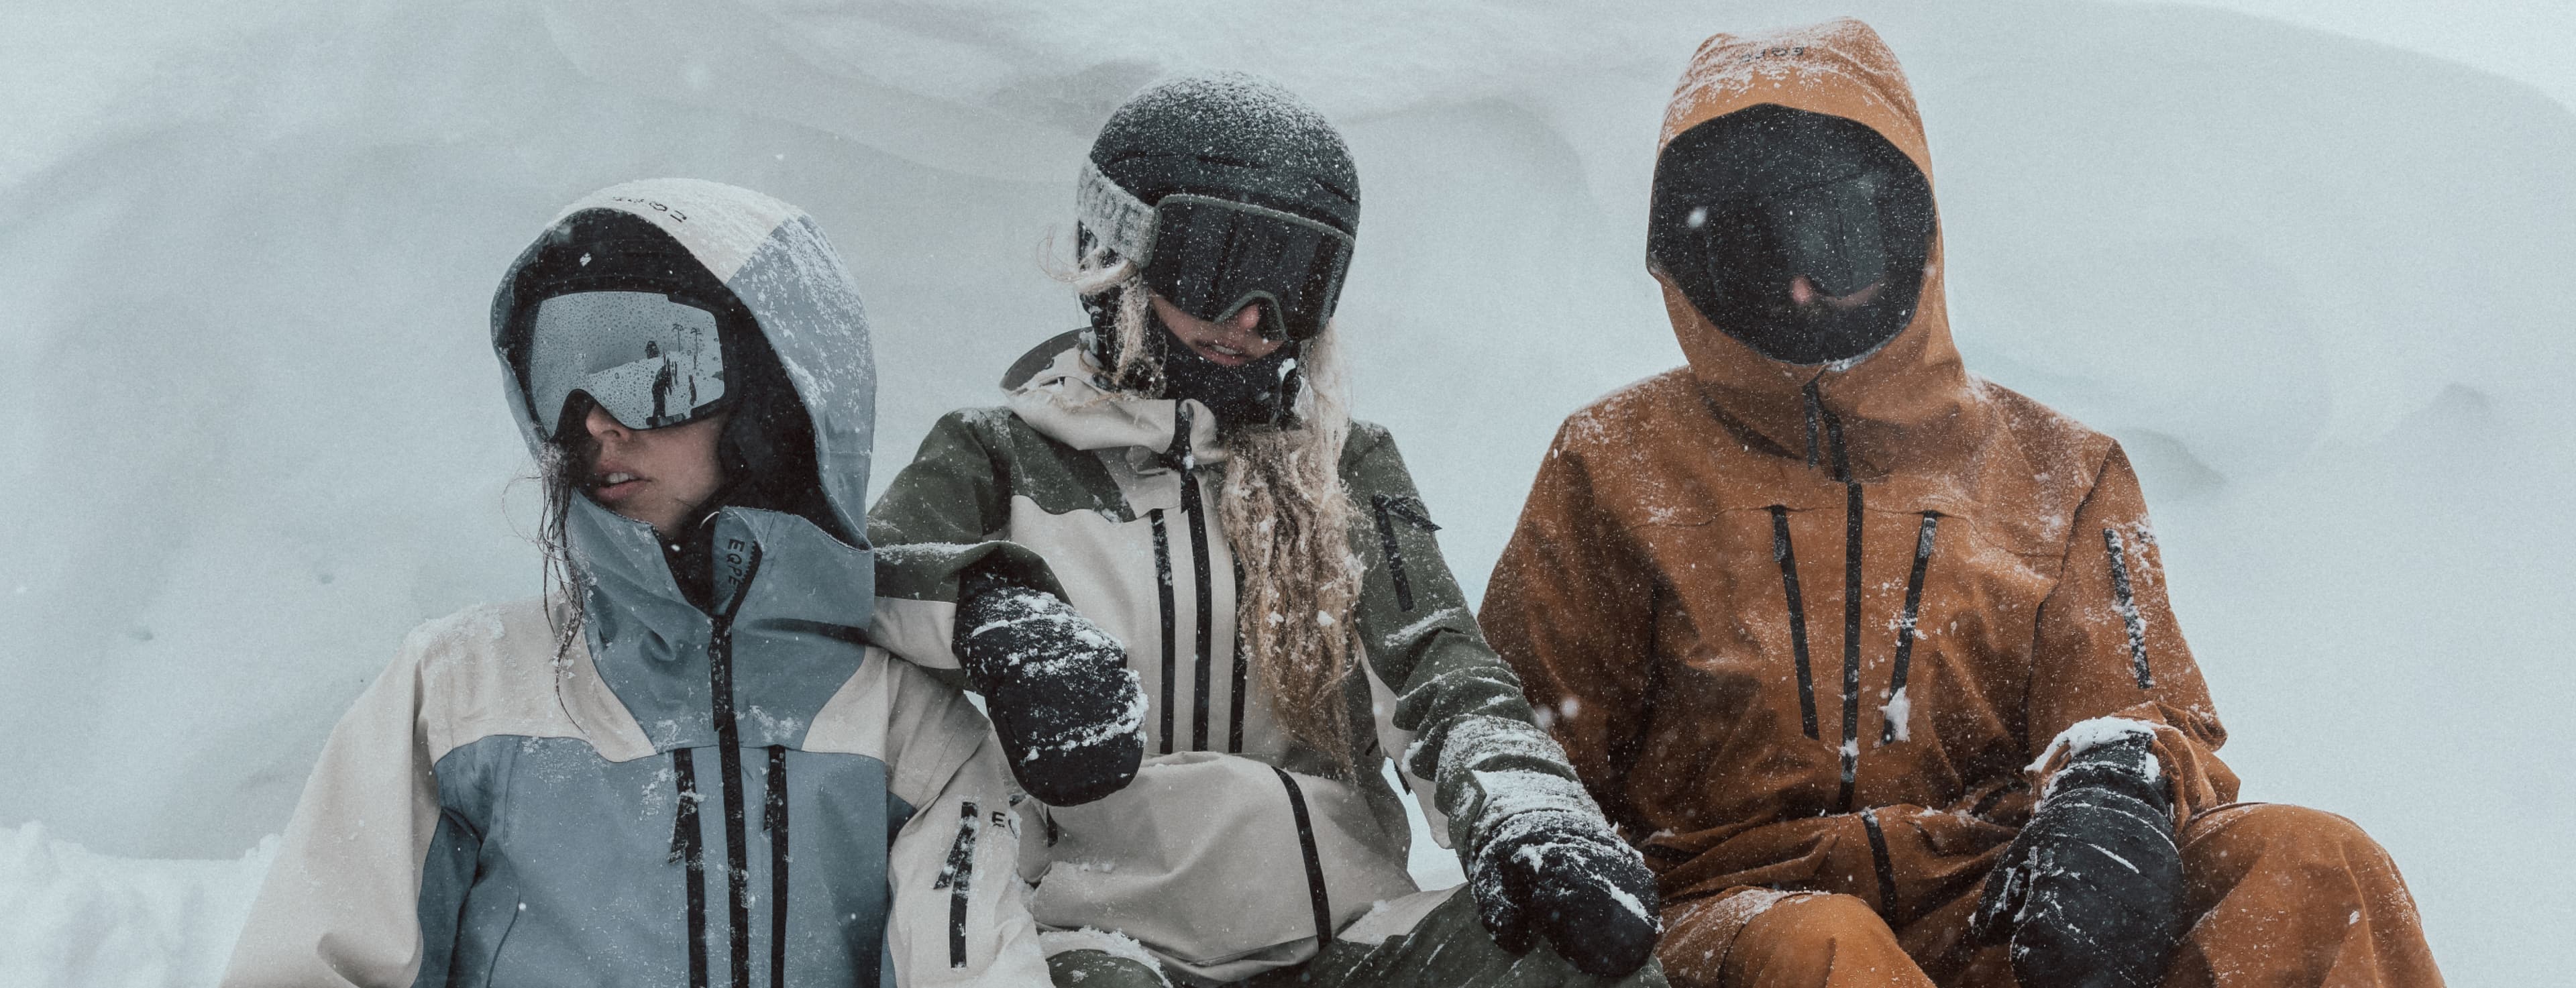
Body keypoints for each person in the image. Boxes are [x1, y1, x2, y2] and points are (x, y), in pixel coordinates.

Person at [1478, 20, 2444, 988]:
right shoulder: (1617, 464)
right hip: (1728, 911)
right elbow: (1516, 733)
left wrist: (2111, 791)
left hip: (1998, 895)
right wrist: (1545, 829)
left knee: (2316, 865)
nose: (1802, 282)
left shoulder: (2057, 471)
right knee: (1827, 950)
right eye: (1747, 246)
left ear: (1908, 231)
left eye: (1839, 235)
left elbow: (2139, 712)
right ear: (1693, 268)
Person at [865, 74, 1666, 987]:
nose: (1255, 318)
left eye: (1298, 281)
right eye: (1222, 262)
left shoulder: (1341, 470)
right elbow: (863, 580)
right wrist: (994, 612)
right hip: (1101, 936)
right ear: (1120, 249)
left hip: (1338, 937)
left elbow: (1442, 670)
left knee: (1570, 964)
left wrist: (1524, 804)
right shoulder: (1002, 457)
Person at [219, 178, 1057, 987]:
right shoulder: (459, 696)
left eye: (656, 367)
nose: (596, 421)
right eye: (562, 374)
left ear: (775, 397)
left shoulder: (910, 735)